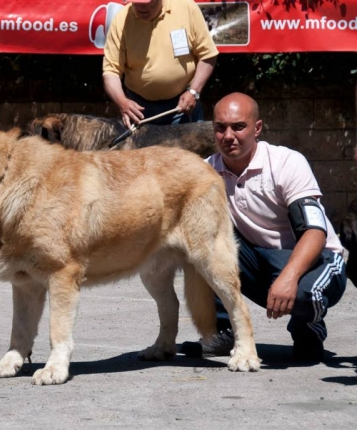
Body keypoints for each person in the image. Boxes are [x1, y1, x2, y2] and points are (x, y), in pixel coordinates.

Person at [182, 92, 347, 362]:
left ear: (257, 128)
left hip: (315, 260)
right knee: (199, 238)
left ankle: (308, 330)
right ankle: (222, 330)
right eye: (220, 128)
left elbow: (315, 231)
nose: (228, 136)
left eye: (238, 127)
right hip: (255, 261)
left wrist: (289, 277)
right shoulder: (205, 172)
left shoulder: (286, 163)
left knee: (307, 295)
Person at [102, 0, 218, 128]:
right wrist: (122, 102)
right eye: (136, 2)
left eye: (147, 3)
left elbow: (207, 55)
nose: (141, 7)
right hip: (138, 111)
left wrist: (194, 92)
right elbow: (111, 71)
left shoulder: (186, 8)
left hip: (183, 106)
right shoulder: (121, 20)